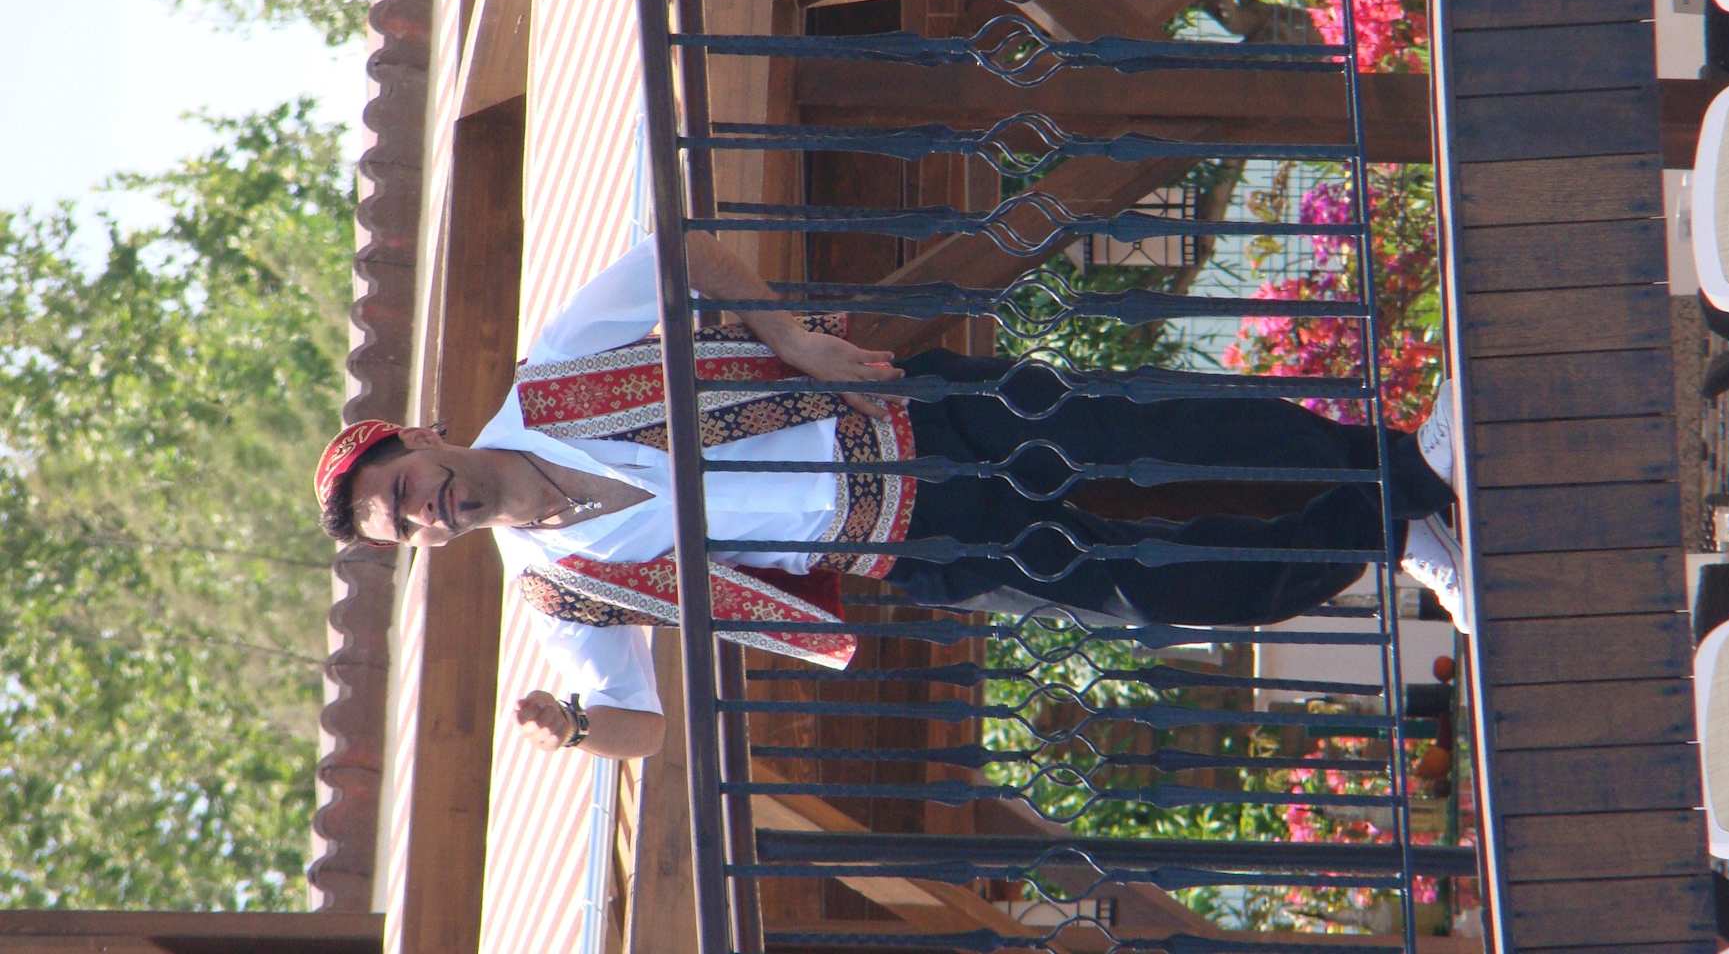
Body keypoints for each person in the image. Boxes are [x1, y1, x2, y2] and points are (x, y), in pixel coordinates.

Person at [314, 231, 1466, 759]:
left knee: (1154, 433)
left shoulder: (552, 381)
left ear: (423, 436)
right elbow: (645, 729)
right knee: (1164, 594)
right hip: (911, 545)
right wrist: (572, 727)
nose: (424, 512)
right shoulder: (560, 593)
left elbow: (681, 254)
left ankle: (1405, 470)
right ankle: (1383, 520)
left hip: (915, 415)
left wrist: (793, 338)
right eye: (403, 527)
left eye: (404, 487)